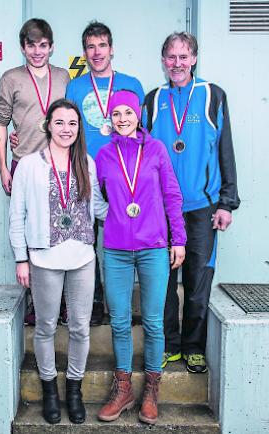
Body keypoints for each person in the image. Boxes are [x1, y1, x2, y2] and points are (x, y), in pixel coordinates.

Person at [142, 32, 240, 374]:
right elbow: (141, 153)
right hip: (161, 207)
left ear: (194, 58)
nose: (177, 63)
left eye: (183, 56)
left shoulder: (213, 95)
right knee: (164, 281)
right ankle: (169, 344)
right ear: (163, 60)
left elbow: (225, 151)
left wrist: (226, 202)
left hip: (202, 206)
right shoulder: (153, 100)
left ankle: (194, 346)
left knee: (198, 278)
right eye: (170, 57)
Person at [9, 98, 107, 425]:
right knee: (46, 327)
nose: (67, 129)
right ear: (48, 125)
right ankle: (50, 389)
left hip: (81, 258)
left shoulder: (87, 164)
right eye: (60, 122)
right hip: (44, 259)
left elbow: (100, 209)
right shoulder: (28, 165)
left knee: (79, 327)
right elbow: (17, 217)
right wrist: (21, 259)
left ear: (79, 129)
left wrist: (136, 208)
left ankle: (74, 390)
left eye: (73, 124)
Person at [95, 90, 186, 425]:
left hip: (152, 248)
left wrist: (179, 238)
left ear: (138, 115)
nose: (122, 118)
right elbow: (96, 199)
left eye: (127, 113)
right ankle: (123, 390)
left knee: (152, 321)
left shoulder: (157, 150)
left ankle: (150, 390)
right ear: (111, 119)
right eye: (116, 113)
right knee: (119, 321)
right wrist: (114, 214)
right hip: (117, 250)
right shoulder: (103, 155)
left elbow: (172, 195)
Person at [65, 21, 145, 325]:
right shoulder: (76, 86)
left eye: (101, 45)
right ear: (84, 52)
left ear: (111, 49)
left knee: (125, 236)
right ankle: (94, 302)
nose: (96, 52)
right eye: (90, 47)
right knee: (88, 240)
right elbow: (67, 127)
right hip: (86, 173)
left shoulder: (131, 84)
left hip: (123, 173)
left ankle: (122, 304)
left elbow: (141, 129)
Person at [0, 18, 70, 325]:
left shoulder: (64, 76)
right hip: (24, 164)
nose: (37, 52)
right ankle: (35, 304)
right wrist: (2, 166)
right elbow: (1, 125)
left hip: (60, 165)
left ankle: (63, 303)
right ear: (22, 47)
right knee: (29, 234)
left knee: (61, 234)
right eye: (31, 46)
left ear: (51, 47)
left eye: (43, 46)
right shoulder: (11, 78)